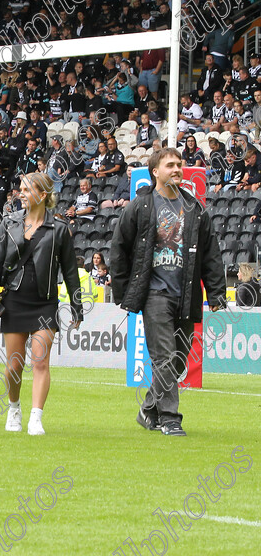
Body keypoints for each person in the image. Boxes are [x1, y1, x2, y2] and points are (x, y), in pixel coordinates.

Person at [111, 148, 227, 437]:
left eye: (180, 164)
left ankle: (148, 408)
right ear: (156, 172)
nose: (177, 169)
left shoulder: (196, 210)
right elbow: (119, 247)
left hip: (186, 293)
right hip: (154, 293)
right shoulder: (141, 206)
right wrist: (123, 290)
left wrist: (216, 294)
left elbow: (211, 254)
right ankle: (170, 418)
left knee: (178, 360)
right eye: (170, 165)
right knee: (164, 356)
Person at [0, 172, 83, 435]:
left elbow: (71, 272)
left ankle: (36, 417)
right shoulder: (9, 223)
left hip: (45, 303)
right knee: (15, 364)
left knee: (40, 361)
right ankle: (13, 407)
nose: (20, 194)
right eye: (20, 189)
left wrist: (76, 306)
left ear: (42, 194)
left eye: (26, 190)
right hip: (14, 300)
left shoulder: (60, 229)